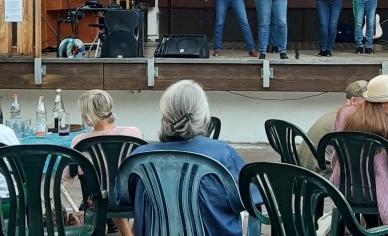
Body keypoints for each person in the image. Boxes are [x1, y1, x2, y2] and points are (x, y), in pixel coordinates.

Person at [116, 79, 254, 236]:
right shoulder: (223, 153)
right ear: (203, 115)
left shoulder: (138, 158)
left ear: (165, 114)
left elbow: (120, 203)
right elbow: (252, 199)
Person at [333, 74, 388, 228]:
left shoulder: (344, 115)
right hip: (379, 194)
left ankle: (371, 228)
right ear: (382, 103)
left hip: (345, 188)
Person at [64, 89, 143, 236]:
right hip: (133, 195)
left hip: (98, 198)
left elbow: (68, 174)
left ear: (86, 116)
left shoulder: (81, 140)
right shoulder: (133, 133)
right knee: (135, 188)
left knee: (108, 189)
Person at [297, 80, 367, 172]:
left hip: (300, 167)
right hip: (319, 174)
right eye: (368, 102)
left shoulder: (336, 112)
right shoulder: (350, 120)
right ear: (353, 101)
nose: (372, 107)